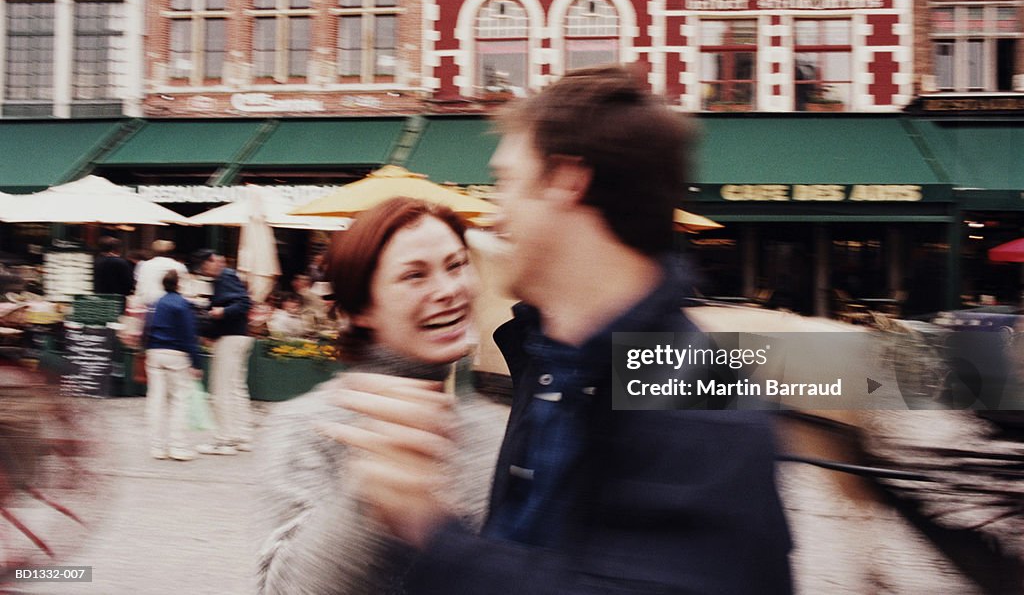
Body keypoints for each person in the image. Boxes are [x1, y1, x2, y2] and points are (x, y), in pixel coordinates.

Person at [326, 66, 794, 593]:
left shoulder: (702, 390)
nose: (496, 218)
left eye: (507, 183)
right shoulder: (551, 367)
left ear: (567, 181)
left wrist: (428, 530)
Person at [256, 197, 508, 595]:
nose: (448, 289)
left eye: (456, 264)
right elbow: (285, 589)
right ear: (361, 309)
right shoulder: (309, 426)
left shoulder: (495, 427)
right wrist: (370, 495)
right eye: (414, 275)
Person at [192, 249, 253, 456]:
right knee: (236, 389)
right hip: (239, 336)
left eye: (204, 266)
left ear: (211, 261)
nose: (204, 271)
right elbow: (242, 301)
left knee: (221, 391)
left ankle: (224, 440)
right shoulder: (227, 276)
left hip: (229, 339)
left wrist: (221, 312)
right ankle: (242, 436)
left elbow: (244, 303)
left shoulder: (225, 276)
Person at [144, 270, 202, 461]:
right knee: (179, 401)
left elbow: (146, 329)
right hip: (176, 354)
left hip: (154, 353)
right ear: (179, 284)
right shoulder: (182, 305)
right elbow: (189, 335)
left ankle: (157, 447)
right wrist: (196, 362)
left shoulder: (155, 303)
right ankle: (178, 446)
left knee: (156, 401)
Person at [134, 240, 188, 306]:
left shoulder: (143, 265)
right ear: (171, 253)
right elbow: (183, 289)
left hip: (142, 303)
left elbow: (138, 285)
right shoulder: (178, 266)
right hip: (166, 305)